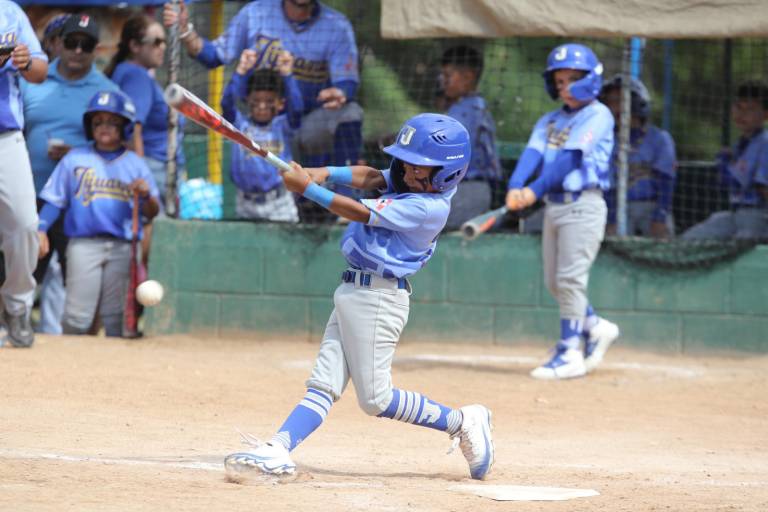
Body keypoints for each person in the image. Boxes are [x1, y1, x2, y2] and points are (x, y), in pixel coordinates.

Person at [223, 114, 494, 481]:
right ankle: (277, 447)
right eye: (408, 162)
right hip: (354, 291)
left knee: (376, 400)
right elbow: (371, 176)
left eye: (422, 168)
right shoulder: (409, 180)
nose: (410, 172)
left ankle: (463, 422)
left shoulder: (428, 207)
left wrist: (308, 189)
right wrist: (322, 172)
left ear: (448, 172)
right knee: (324, 383)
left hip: (379, 299)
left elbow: (359, 210)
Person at [505, 43, 619, 380]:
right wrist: (515, 185)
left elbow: (570, 158)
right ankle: (596, 326)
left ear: (589, 79)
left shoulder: (598, 114)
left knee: (569, 280)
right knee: (555, 283)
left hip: (583, 205)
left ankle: (570, 350)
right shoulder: (551, 119)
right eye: (559, 81)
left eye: (571, 79)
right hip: (556, 208)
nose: (563, 87)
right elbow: (533, 154)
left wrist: (533, 191)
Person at [163, 0, 362, 169]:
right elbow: (214, 55)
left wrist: (341, 92)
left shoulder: (336, 25)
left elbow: (347, 82)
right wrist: (186, 31)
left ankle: (346, 198)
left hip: (305, 125)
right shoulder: (255, 13)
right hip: (259, 126)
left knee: (351, 112)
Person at [22, 14, 119, 334]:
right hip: (29, 194)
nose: (78, 50)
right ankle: (12, 330)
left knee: (80, 282)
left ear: (96, 49)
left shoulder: (106, 90)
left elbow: (119, 146)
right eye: (72, 42)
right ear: (57, 44)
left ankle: (86, 353)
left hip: (82, 202)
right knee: (18, 271)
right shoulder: (31, 80)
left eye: (86, 44)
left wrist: (77, 152)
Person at [37, 90, 159, 337]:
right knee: (77, 316)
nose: (104, 127)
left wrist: (145, 195)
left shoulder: (134, 163)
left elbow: (152, 212)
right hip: (83, 244)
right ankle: (70, 366)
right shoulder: (75, 158)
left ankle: (110, 371)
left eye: (112, 122)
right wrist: (41, 228)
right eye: (98, 122)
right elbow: (54, 200)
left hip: (122, 245)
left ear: (125, 127)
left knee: (114, 317)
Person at [0, 0, 49, 348]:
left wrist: (24, 61)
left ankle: (17, 307)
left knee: (25, 224)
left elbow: (40, 69)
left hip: (6, 136)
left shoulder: (9, 11)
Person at [106, 14, 184, 208]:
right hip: (152, 167)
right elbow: (133, 128)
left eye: (164, 41)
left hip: (156, 167)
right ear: (134, 46)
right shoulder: (136, 76)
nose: (163, 47)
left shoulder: (128, 72)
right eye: (156, 42)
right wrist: (140, 174)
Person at [221, 49, 302, 222]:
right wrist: (241, 70)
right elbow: (226, 103)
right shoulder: (240, 125)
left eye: (269, 101)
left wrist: (287, 75)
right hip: (245, 202)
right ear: (248, 100)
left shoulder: (283, 125)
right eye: (256, 101)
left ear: (281, 103)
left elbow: (297, 109)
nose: (262, 106)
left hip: (279, 202)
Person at [682, 81, 768, 240]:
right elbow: (724, 184)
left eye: (750, 109)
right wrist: (726, 164)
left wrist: (727, 167)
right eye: (738, 107)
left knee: (740, 253)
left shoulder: (764, 142)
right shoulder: (740, 144)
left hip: (759, 216)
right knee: (690, 239)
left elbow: (763, 188)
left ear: (765, 114)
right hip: (737, 214)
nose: (741, 114)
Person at [600, 75, 677, 238]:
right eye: (610, 102)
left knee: (663, 243)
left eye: (619, 101)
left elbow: (666, 182)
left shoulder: (659, 139)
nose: (614, 108)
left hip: (651, 206)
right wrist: (612, 220)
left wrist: (660, 217)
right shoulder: (605, 140)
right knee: (612, 242)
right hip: (619, 207)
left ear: (637, 102)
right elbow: (609, 188)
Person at [439, 45, 503, 230]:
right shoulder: (472, 106)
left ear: (468, 77)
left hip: (471, 190)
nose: (443, 81)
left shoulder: (466, 111)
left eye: (448, 75)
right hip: (475, 189)